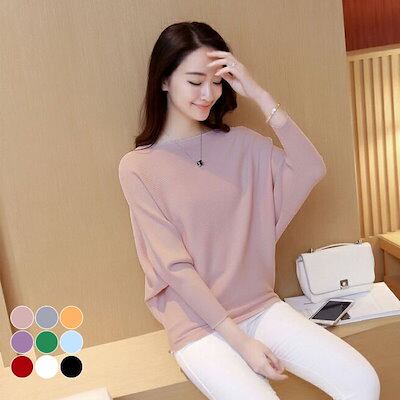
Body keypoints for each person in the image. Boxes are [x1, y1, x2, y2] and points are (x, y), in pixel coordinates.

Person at [118, 21, 380, 400]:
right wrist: (242, 344)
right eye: (195, 81)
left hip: (259, 306)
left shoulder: (243, 145)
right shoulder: (138, 167)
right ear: (163, 80)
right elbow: (175, 268)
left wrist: (259, 94)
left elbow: (310, 168)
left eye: (216, 81)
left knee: (362, 382)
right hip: (197, 324)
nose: (208, 93)